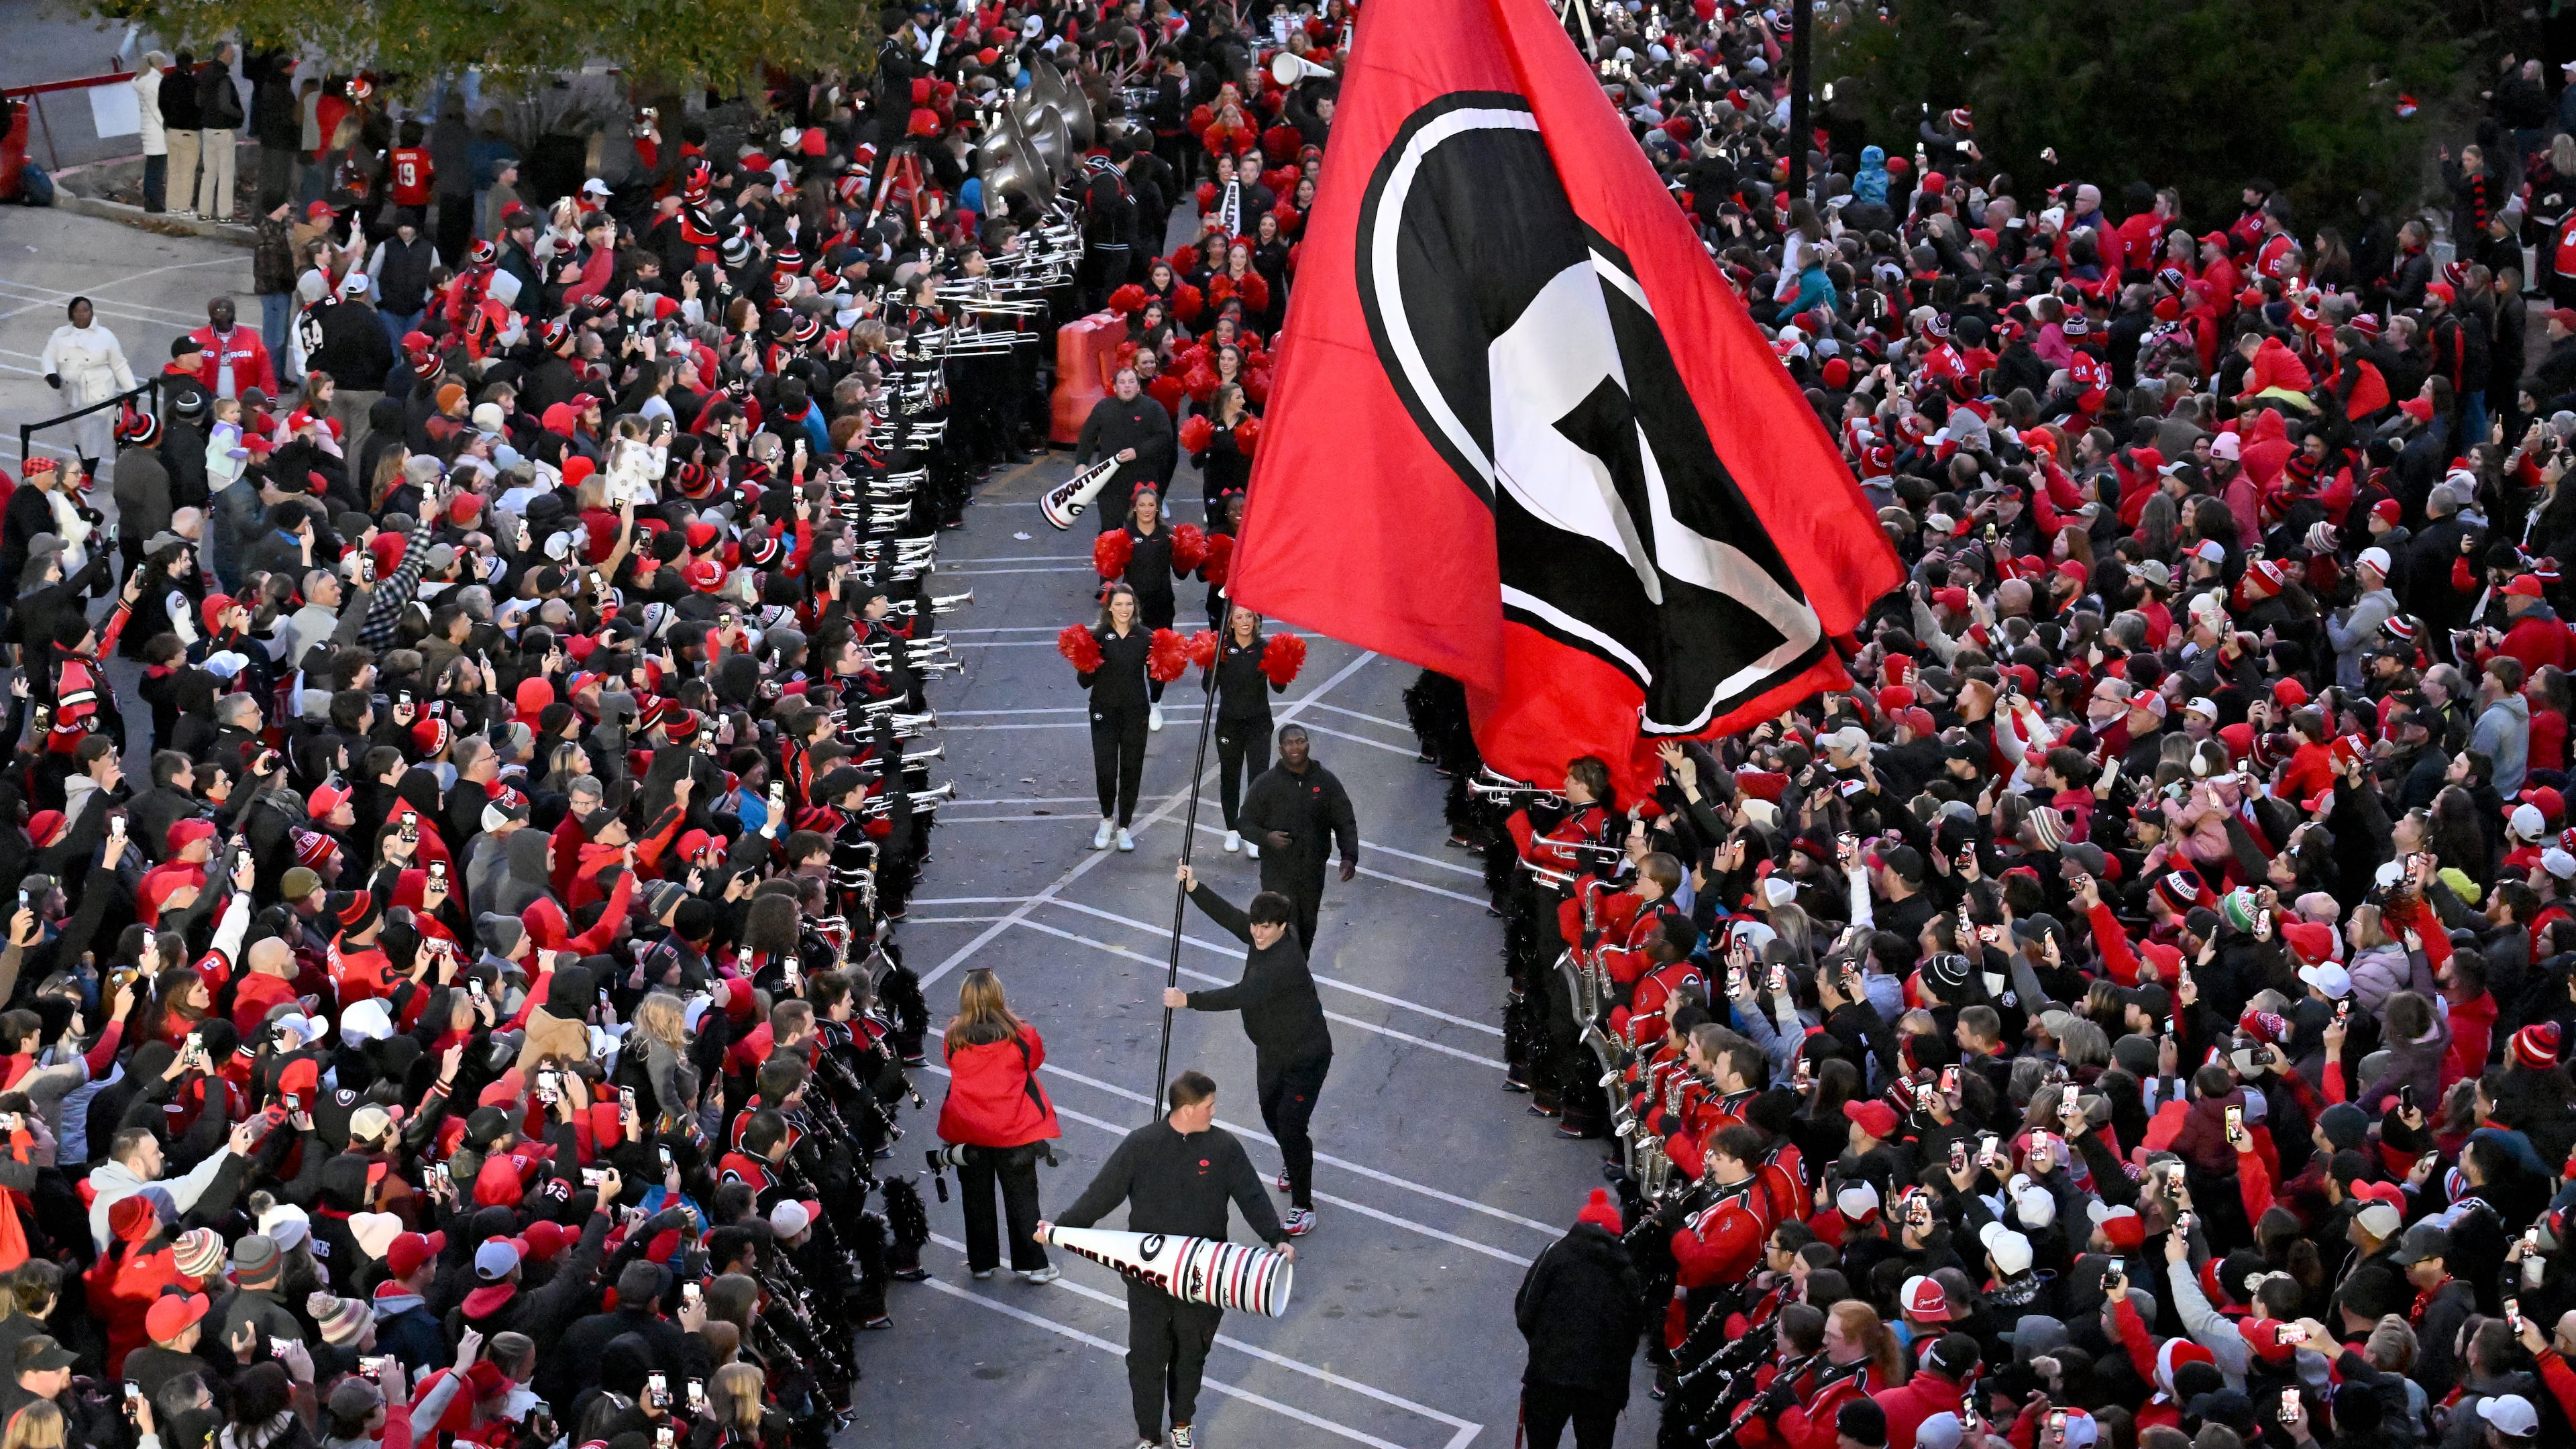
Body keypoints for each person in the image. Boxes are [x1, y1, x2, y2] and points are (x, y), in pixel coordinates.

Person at [1040, 1071, 1291, 1449]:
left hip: (1205, 1277)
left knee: (1191, 1354)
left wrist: (1277, 1237)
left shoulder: (1224, 1148)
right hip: (1147, 1277)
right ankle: (1148, 1436)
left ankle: (1181, 1424)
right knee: (1146, 1358)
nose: (1214, 1111)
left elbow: (1251, 1195)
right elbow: (1102, 1193)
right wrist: (1060, 1230)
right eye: (1209, 1106)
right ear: (1187, 1109)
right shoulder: (1141, 1145)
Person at [1167, 862, 1332, 1235]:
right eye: (1255, 925)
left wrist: (1187, 1000)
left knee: (1291, 1124)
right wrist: (1194, 887)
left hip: (1306, 1055)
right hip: (1271, 1049)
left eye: (1265, 927)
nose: (1256, 933)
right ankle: (1295, 1157)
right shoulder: (1261, 935)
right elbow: (1230, 917)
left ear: (1282, 928)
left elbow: (1241, 995)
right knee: (1270, 1113)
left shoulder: (1284, 963)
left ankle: (1303, 1206)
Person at [932, 969, 1063, 1283]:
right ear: (999, 997)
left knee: (976, 1198)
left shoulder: (954, 1034)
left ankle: (982, 1263)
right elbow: (1036, 1061)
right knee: (1022, 1198)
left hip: (967, 1130)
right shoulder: (1022, 1035)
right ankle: (1035, 1265)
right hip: (1015, 1130)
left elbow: (951, 1064)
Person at [1515, 1191, 1644, 1449]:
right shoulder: (1628, 1273)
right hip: (1603, 1384)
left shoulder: (1556, 1253)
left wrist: (1544, 1344)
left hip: (1549, 1374)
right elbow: (1632, 1334)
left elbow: (1526, 1309)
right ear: (1615, 1234)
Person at [1234, 724, 1358, 950]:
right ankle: (1283, 979)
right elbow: (1244, 823)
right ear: (1280, 749)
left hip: (1312, 872)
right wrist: (1266, 837)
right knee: (1282, 930)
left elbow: (1345, 821)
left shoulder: (1326, 782)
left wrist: (1349, 856)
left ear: (1308, 744)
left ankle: (1298, 973)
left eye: (1300, 741)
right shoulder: (1266, 784)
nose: (1295, 747)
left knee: (1307, 928)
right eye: (1289, 743)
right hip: (1277, 873)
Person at [1077, 582, 1155, 853]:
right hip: (1103, 710)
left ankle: (1124, 828)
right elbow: (1084, 682)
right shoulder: (1098, 637)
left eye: (1129, 604)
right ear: (1109, 606)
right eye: (1119, 604)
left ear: (1135, 607)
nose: (1124, 609)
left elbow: (1156, 678)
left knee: (1132, 769)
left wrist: (1165, 665)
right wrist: (1085, 660)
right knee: (1106, 769)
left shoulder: (1146, 637)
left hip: (1136, 711)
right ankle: (1107, 819)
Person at [1211, 606, 1285, 854]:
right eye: (1239, 617)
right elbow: (1207, 689)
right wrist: (1210, 663)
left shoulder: (1266, 649)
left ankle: (1253, 833)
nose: (1245, 621)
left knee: (1258, 779)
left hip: (1258, 725)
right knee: (1230, 777)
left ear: (1256, 621)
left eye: (1249, 617)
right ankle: (1232, 830)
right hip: (1229, 725)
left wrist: (1280, 668)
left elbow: (1279, 689)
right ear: (1230, 623)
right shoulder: (1221, 650)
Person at [38, 299, 136, 477]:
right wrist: (50, 374)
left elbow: (119, 365)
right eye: (78, 311)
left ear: (92, 312)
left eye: (86, 310)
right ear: (71, 314)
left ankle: (89, 473)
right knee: (79, 434)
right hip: (72, 393)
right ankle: (85, 465)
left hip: (100, 393)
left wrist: (132, 390)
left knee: (93, 437)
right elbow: (48, 356)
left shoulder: (106, 336)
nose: (82, 314)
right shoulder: (59, 335)